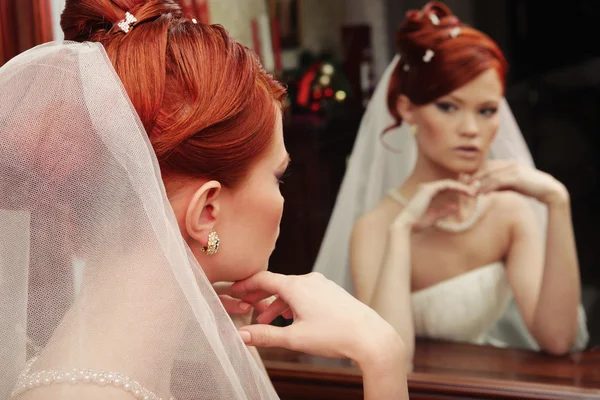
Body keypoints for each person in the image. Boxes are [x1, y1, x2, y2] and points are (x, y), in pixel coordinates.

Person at [0, 1, 407, 399]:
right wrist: (380, 352)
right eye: (278, 177)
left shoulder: (118, 366)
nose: (283, 199)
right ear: (207, 211)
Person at [313, 1, 588, 363]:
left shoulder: (508, 212)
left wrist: (557, 201)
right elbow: (391, 363)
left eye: (487, 111)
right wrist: (404, 232)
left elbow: (558, 339)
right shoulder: (376, 229)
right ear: (407, 109)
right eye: (448, 107)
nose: (471, 130)